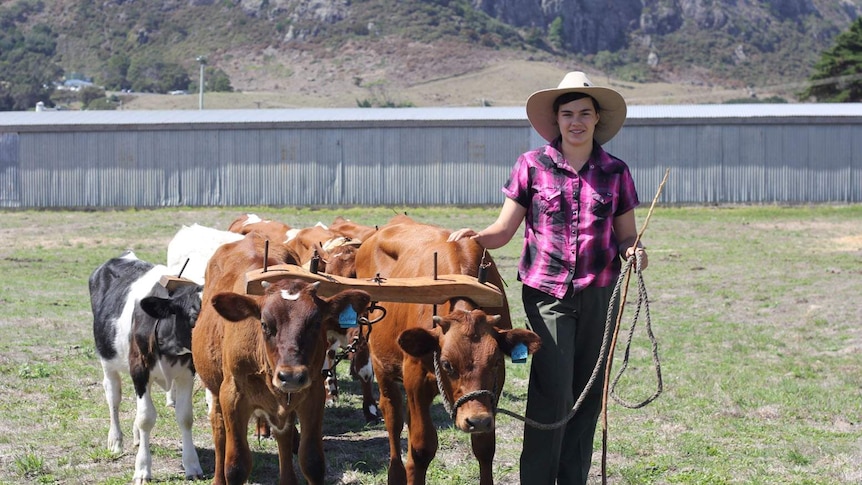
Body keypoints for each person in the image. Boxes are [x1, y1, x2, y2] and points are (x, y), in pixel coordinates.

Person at [447, 71, 648, 485]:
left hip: (601, 294)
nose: (576, 121)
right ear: (556, 120)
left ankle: (572, 478)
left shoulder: (615, 171)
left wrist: (635, 252)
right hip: (547, 294)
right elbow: (504, 230)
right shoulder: (531, 165)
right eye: (568, 113)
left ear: (597, 119)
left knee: (587, 393)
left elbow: (626, 235)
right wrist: (476, 237)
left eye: (585, 114)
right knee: (553, 390)